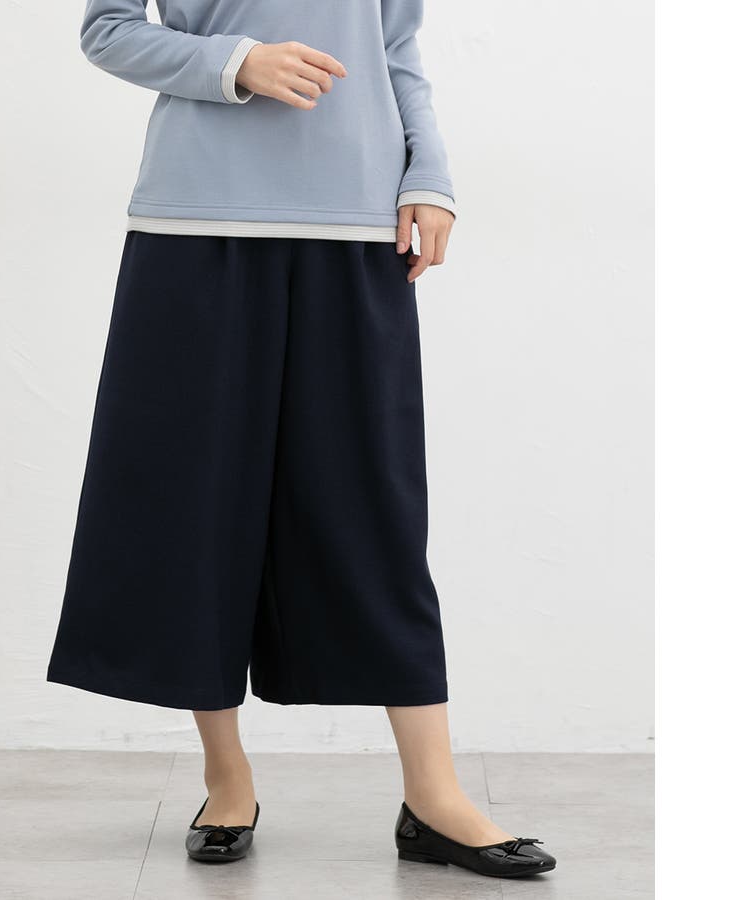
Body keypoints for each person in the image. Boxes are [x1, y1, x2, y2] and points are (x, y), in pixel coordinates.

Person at [47, 0, 556, 879]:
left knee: (374, 514)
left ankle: (434, 795)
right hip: (196, 226)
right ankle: (226, 778)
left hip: (357, 228)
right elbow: (109, 28)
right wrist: (235, 62)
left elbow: (396, 50)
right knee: (196, 509)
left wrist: (429, 173)